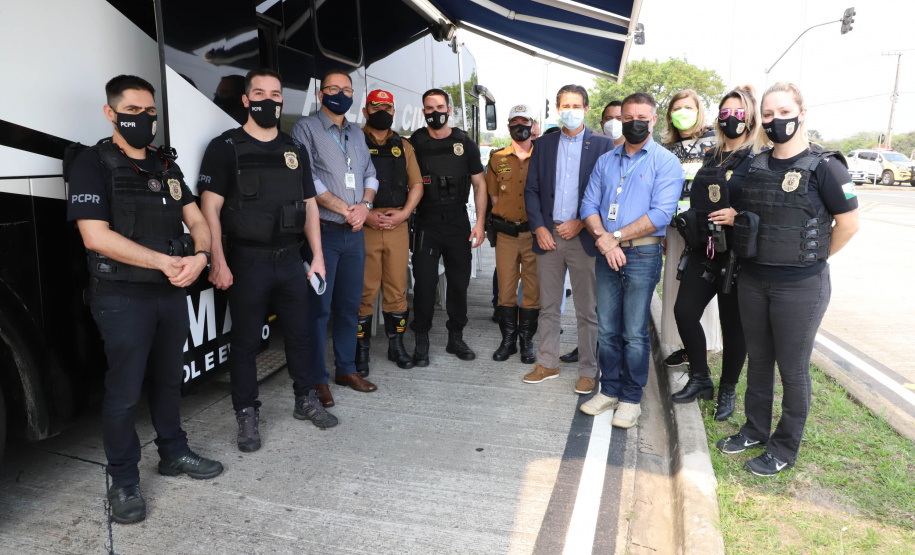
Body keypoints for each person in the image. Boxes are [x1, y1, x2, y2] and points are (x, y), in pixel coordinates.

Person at [67, 75, 223, 524]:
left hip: (169, 292)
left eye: (150, 112)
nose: (143, 119)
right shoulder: (92, 163)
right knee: (123, 393)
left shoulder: (164, 164)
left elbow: (195, 219)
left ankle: (173, 452)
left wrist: (201, 255)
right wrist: (164, 262)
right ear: (110, 113)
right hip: (122, 297)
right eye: (132, 111)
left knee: (170, 380)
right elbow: (95, 236)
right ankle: (124, 480)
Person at [716, 82, 859, 476]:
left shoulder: (827, 167)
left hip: (801, 286)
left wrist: (814, 256)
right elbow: (749, 211)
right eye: (768, 113)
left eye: (783, 112)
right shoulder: (755, 164)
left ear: (801, 113)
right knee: (759, 361)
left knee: (792, 368)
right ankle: (755, 429)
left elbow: (849, 224)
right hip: (753, 279)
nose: (775, 120)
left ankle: (783, 447)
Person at [200, 68, 335, 452]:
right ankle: (246, 414)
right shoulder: (225, 147)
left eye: (275, 94)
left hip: (291, 260)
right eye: (258, 93)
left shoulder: (294, 149)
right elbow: (210, 208)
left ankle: (305, 398)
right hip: (247, 262)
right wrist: (218, 260)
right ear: (245, 100)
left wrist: (318, 258)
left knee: (300, 334)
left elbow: (309, 206)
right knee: (244, 344)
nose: (268, 100)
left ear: (281, 101)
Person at [579, 92, 683, 428]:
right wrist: (605, 242)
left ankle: (631, 398)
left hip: (643, 253)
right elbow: (588, 207)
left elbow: (661, 213)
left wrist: (616, 237)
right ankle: (608, 390)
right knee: (607, 328)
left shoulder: (665, 162)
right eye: (628, 117)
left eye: (641, 117)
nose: (634, 123)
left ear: (653, 120)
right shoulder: (607, 161)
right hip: (607, 251)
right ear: (619, 120)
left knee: (634, 332)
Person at [291, 69, 379, 405]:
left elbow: (370, 172)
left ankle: (346, 368)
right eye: (333, 88)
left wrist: (365, 206)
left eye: (346, 89)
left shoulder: (356, 133)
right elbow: (306, 178)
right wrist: (346, 209)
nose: (339, 94)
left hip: (354, 234)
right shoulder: (305, 129)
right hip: (323, 234)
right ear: (320, 94)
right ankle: (317, 379)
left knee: (348, 307)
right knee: (319, 310)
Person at [671, 86, 758, 420]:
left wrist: (738, 215)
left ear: (749, 118)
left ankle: (727, 390)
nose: (731, 119)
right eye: (725, 113)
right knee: (684, 311)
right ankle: (701, 378)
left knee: (733, 326)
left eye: (738, 113)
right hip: (706, 248)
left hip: (738, 255)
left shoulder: (759, 159)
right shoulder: (713, 155)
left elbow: (765, 207)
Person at [523, 84, 614, 394]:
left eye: (576, 105)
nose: (570, 111)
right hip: (549, 237)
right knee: (548, 306)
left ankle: (589, 369)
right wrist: (540, 227)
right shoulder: (544, 144)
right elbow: (532, 189)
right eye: (565, 105)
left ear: (586, 109)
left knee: (587, 309)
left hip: (582, 236)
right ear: (557, 109)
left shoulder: (603, 145)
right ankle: (547, 363)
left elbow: (606, 192)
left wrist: (582, 224)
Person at [409, 88, 487, 365]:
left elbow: (479, 184)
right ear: (423, 112)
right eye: (429, 109)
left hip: (457, 222)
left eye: (439, 107)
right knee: (425, 284)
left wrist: (479, 223)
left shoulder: (464, 143)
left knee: (458, 283)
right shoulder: (414, 142)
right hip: (426, 223)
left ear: (449, 110)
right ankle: (421, 338)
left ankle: (456, 337)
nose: (434, 113)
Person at [356, 89, 423, 375]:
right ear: (365, 111)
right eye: (376, 106)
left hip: (397, 224)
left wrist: (405, 213)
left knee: (397, 288)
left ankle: (396, 345)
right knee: (364, 290)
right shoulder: (353, 140)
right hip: (364, 224)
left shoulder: (403, 145)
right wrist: (365, 213)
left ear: (394, 111)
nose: (382, 111)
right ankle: (360, 351)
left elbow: (417, 184)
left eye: (387, 106)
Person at [659, 89, 722, 366]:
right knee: (676, 285)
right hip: (675, 228)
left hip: (704, 229)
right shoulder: (667, 148)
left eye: (688, 107)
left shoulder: (715, 142)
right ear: (670, 115)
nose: (682, 113)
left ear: (699, 111)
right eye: (677, 108)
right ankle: (687, 344)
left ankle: (704, 348)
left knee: (702, 288)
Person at [486, 104, 539, 362]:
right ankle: (508, 341)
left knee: (532, 290)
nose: (520, 127)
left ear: (532, 125)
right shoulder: (497, 158)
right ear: (509, 126)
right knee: (506, 289)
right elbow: (493, 196)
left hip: (534, 235)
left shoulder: (542, 156)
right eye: (515, 123)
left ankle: (526, 342)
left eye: (525, 122)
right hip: (506, 234)